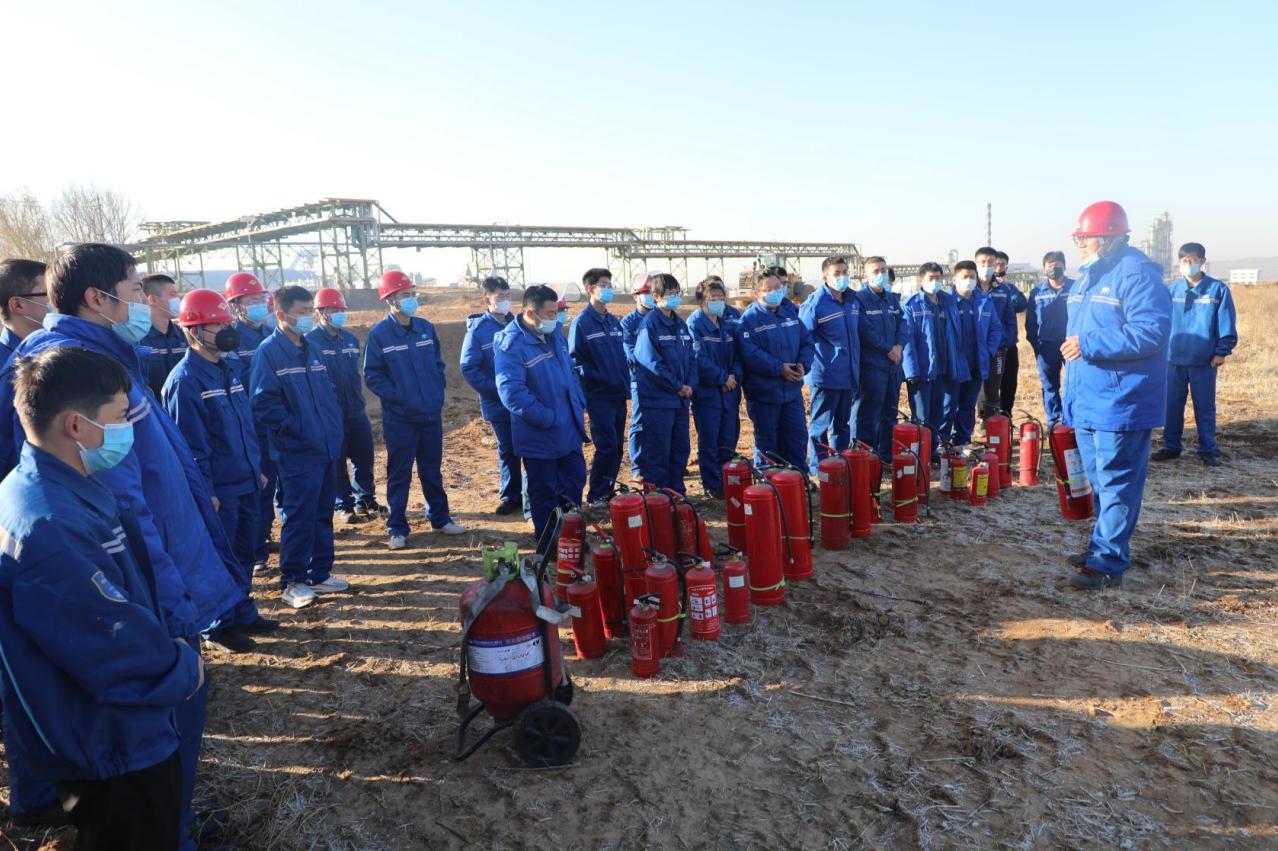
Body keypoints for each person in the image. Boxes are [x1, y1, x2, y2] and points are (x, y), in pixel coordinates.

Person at [0, 243, 243, 843]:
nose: (147, 303)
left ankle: (173, 825)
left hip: (155, 582)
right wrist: (176, 622)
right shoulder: (75, 374)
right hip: (150, 601)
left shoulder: (103, 361)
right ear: (98, 297)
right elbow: (126, 515)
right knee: (155, 744)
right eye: (137, 291)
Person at [0, 347, 203, 849]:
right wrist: (183, 666)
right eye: (118, 416)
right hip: (113, 744)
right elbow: (112, 643)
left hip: (100, 729)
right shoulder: (50, 527)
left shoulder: (51, 488)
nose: (126, 428)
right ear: (76, 425)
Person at [1061, 200, 1172, 590]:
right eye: (1078, 239)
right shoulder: (1088, 278)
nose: (1081, 245)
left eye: (1086, 238)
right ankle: (1102, 546)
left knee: (1117, 483)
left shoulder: (1137, 275)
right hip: (1089, 400)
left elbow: (1151, 332)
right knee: (1099, 480)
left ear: (1110, 238)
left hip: (1121, 401)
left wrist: (1089, 344)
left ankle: (1108, 561)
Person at [163, 288, 279, 650]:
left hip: (246, 479)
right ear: (194, 331)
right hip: (219, 489)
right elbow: (191, 447)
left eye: (227, 324)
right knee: (218, 556)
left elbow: (245, 426)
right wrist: (206, 492)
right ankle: (218, 626)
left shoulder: (229, 369)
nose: (228, 332)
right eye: (217, 326)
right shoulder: (185, 382)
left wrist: (256, 467)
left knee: (246, 550)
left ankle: (243, 611)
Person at [249, 284, 352, 607]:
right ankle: (293, 580)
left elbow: (327, 393)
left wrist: (331, 429)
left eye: (311, 310)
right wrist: (298, 430)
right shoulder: (269, 352)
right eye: (303, 312)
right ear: (281, 314)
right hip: (297, 452)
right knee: (299, 515)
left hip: (325, 447)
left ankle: (319, 573)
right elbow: (263, 404)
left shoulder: (313, 348)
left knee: (322, 513)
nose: (309, 317)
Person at [363, 271, 465, 550]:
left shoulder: (425, 328)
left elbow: (438, 365)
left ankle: (440, 518)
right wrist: (400, 399)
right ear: (390, 299)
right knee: (400, 474)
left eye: (412, 294)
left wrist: (435, 394)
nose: (411, 299)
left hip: (430, 414)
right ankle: (397, 527)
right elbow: (373, 376)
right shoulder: (379, 335)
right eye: (405, 295)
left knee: (432, 470)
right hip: (401, 419)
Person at [494, 285, 588, 542]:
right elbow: (512, 392)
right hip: (540, 433)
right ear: (530, 313)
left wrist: (578, 401)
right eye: (549, 314)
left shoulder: (554, 333)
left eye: (555, 312)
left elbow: (569, 372)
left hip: (568, 428)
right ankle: (549, 543)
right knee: (544, 491)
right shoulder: (511, 344)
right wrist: (546, 417)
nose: (555, 318)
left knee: (574, 482)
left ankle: (570, 539)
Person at [1152, 242, 1238, 467]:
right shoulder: (1172, 291)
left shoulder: (1217, 290)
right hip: (1174, 359)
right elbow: (1160, 322)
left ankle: (1208, 449)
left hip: (1204, 361)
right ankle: (1171, 446)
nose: (1188, 264)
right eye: (1184, 261)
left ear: (1202, 261)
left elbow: (1226, 322)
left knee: (1204, 406)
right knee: (1172, 405)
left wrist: (1221, 351)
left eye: (1191, 260)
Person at [308, 287, 384, 522]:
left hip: (355, 410)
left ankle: (365, 500)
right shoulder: (310, 342)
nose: (339, 313)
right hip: (330, 414)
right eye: (334, 309)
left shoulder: (350, 339)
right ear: (321, 312)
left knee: (364, 457)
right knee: (337, 460)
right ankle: (344, 505)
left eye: (341, 309)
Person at [224, 271, 277, 575]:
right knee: (256, 487)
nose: (259, 304)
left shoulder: (271, 333)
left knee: (272, 485)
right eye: (252, 300)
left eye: (261, 298)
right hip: (246, 426)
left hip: (271, 423)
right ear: (236, 306)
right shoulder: (230, 338)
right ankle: (255, 552)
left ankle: (264, 535)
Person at [738, 266, 813, 469]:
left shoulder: (790, 315)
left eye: (777, 288)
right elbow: (751, 354)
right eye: (768, 289)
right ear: (757, 293)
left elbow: (806, 342)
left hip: (792, 393)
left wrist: (803, 364)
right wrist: (779, 368)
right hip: (764, 395)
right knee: (768, 446)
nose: (774, 292)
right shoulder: (749, 321)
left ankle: (798, 480)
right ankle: (769, 483)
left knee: (796, 439)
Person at [461, 276, 522, 513]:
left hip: (524, 399)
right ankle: (511, 495)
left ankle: (532, 493)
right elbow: (469, 368)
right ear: (486, 299)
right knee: (508, 449)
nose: (505, 300)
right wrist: (498, 391)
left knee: (530, 447)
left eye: (508, 296)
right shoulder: (478, 331)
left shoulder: (518, 324)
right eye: (500, 296)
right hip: (498, 402)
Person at [567, 268, 629, 504]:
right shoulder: (582, 323)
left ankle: (607, 489)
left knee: (617, 447)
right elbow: (575, 362)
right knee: (607, 445)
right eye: (603, 285)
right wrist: (600, 378)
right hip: (599, 395)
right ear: (590, 289)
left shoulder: (613, 322)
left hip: (618, 394)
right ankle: (597, 494)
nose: (608, 289)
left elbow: (621, 357)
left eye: (610, 285)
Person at [633, 273, 695, 493]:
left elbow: (691, 358)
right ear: (657, 296)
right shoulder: (649, 325)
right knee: (659, 451)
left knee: (680, 448)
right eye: (670, 293)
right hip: (659, 401)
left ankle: (676, 493)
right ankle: (658, 497)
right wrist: (678, 386)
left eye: (677, 292)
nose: (675, 297)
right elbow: (652, 364)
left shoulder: (680, 324)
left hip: (680, 400)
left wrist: (690, 384)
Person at [799, 254, 860, 472]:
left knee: (842, 424)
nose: (842, 277)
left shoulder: (853, 300)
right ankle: (820, 467)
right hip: (825, 374)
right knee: (820, 425)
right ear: (825, 277)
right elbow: (802, 337)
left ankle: (841, 464)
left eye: (845, 272)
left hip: (848, 373)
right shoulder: (815, 304)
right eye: (837, 273)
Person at [687, 277, 742, 498]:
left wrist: (733, 377)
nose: (718, 301)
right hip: (708, 393)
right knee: (710, 439)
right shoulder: (695, 324)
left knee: (728, 437)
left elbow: (737, 354)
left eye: (721, 297)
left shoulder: (725, 324)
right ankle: (712, 483)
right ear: (702, 300)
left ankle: (726, 478)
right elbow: (698, 358)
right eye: (713, 298)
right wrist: (722, 378)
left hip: (729, 391)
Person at [902, 262, 959, 455]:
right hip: (922, 371)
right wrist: (911, 371)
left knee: (937, 413)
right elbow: (907, 340)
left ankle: (932, 450)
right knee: (922, 416)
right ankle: (920, 453)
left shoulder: (947, 302)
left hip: (941, 368)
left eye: (938, 278)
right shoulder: (911, 305)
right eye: (930, 278)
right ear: (921, 280)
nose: (935, 282)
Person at [855, 256, 907, 463]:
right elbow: (865, 331)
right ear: (865, 275)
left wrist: (899, 347)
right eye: (875, 271)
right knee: (869, 414)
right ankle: (867, 458)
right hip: (872, 367)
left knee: (890, 414)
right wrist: (888, 349)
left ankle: (886, 456)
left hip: (893, 366)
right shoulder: (860, 300)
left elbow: (903, 325)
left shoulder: (892, 299)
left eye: (883, 270)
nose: (881, 275)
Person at [941, 262, 1000, 446]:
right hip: (953, 365)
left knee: (967, 406)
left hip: (976, 363)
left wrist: (988, 351)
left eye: (972, 277)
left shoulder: (984, 302)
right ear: (954, 279)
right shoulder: (945, 302)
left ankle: (962, 442)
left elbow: (995, 329)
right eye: (964, 277)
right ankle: (942, 442)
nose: (968, 281)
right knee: (948, 405)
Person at [1025, 251, 1073, 424]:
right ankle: (1054, 421)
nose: (1054, 269)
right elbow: (1030, 322)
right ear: (1044, 268)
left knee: (1074, 382)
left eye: (1057, 265)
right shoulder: (1037, 292)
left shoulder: (1075, 288)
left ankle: (1073, 419)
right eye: (1050, 266)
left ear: (1064, 266)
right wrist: (1037, 345)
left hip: (1071, 345)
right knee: (1050, 385)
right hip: (1046, 345)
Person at [621, 276, 655, 480]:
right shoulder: (628, 322)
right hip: (640, 380)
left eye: (651, 292)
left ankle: (658, 461)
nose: (649, 296)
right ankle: (638, 466)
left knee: (661, 423)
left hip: (662, 382)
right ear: (636, 296)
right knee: (639, 422)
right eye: (645, 293)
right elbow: (630, 353)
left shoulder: (662, 318)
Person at [138, 273, 188, 399]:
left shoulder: (184, 335)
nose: (178, 300)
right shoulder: (139, 340)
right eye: (173, 295)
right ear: (153, 300)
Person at [992, 250, 1028, 415]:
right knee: (989, 385)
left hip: (1009, 344)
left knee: (1009, 382)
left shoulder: (1009, 288)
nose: (999, 267)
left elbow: (1021, 304)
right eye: (996, 264)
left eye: (1002, 264)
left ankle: (1006, 415)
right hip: (991, 346)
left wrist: (1005, 290)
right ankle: (988, 418)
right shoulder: (982, 289)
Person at [0, 259, 49, 364]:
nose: (56, 298)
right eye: (47, 292)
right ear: (17, 305)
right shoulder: (6, 366)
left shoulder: (59, 344)